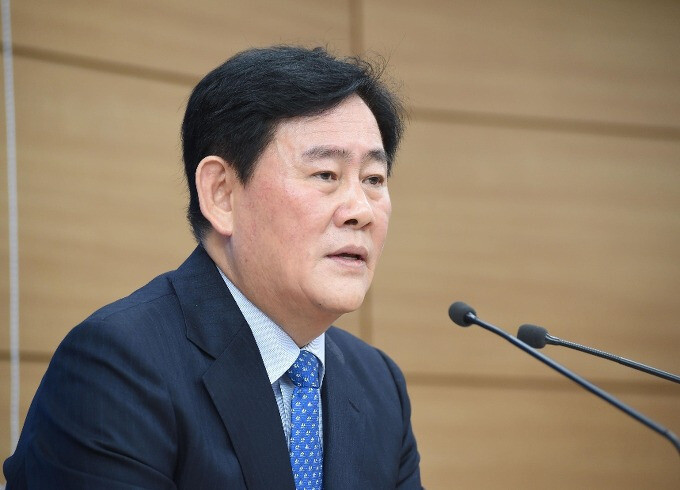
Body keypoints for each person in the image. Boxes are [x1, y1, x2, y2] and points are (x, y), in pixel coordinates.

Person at [4, 45, 422, 489]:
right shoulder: (119, 365)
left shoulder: (379, 385)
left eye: (373, 179)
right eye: (325, 175)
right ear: (221, 193)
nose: (361, 211)